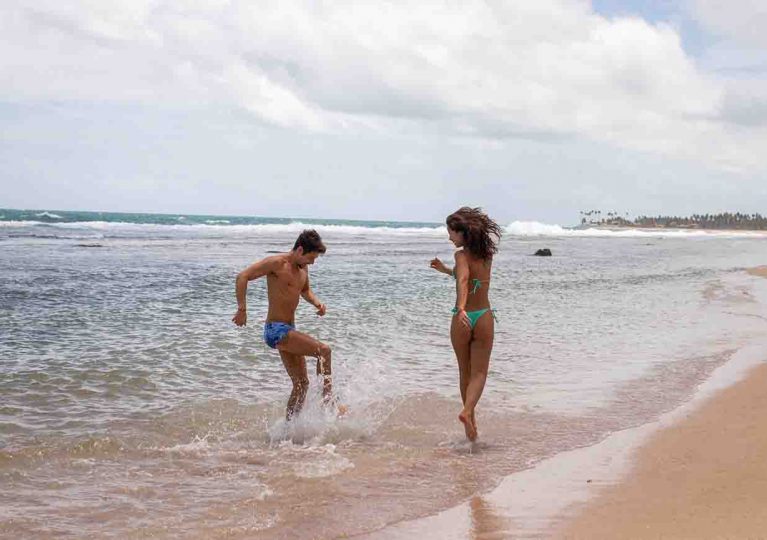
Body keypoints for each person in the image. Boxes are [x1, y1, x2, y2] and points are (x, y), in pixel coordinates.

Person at [232, 229, 339, 420]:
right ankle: (328, 399)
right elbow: (242, 276)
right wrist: (242, 310)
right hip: (276, 330)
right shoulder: (277, 263)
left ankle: (289, 430)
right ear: (299, 250)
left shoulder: (303, 269)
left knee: (301, 384)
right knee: (324, 351)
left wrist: (318, 304)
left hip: (289, 330)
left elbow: (305, 291)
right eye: (310, 258)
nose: (312, 263)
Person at [430, 207, 501, 441]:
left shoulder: (460, 256)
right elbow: (470, 277)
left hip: (462, 317)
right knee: (479, 372)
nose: (449, 237)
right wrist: (444, 271)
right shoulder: (487, 255)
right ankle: (468, 412)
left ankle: (470, 417)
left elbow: (463, 279)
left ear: (462, 232)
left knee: (465, 372)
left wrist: (460, 307)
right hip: (483, 316)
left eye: (451, 232)